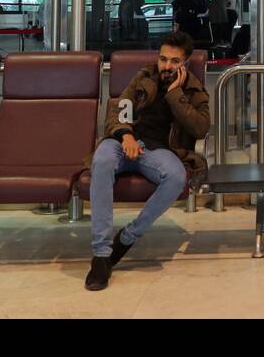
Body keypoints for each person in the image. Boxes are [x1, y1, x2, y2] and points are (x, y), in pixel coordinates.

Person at [86, 30, 210, 291]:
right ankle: (101, 254)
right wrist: (127, 135)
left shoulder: (193, 89)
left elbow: (200, 128)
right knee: (102, 160)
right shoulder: (144, 77)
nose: (166, 66)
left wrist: (176, 95)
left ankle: (127, 238)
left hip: (158, 151)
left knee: (176, 177)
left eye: (174, 62)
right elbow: (119, 111)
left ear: (185, 63)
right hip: (123, 143)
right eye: (163, 59)